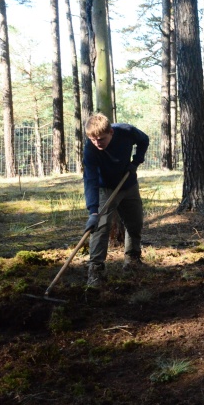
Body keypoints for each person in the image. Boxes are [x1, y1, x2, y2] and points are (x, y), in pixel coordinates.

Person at [82, 112, 150, 288]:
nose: (97, 143)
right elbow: (90, 180)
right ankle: (95, 271)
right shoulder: (90, 149)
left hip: (128, 184)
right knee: (101, 226)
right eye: (93, 139)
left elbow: (144, 140)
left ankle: (132, 259)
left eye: (101, 139)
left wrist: (136, 162)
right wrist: (93, 211)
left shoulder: (126, 131)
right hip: (106, 188)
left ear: (111, 132)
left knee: (135, 222)